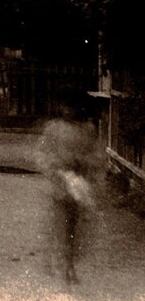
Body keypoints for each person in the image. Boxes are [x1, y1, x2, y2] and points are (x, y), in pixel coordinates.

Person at [36, 99, 103, 284]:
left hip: (80, 184)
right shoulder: (54, 128)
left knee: (76, 228)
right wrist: (55, 168)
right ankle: (64, 265)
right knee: (61, 226)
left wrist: (85, 163)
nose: (68, 109)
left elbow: (97, 155)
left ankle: (69, 262)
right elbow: (42, 154)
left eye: (72, 105)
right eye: (65, 105)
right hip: (60, 183)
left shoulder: (87, 129)